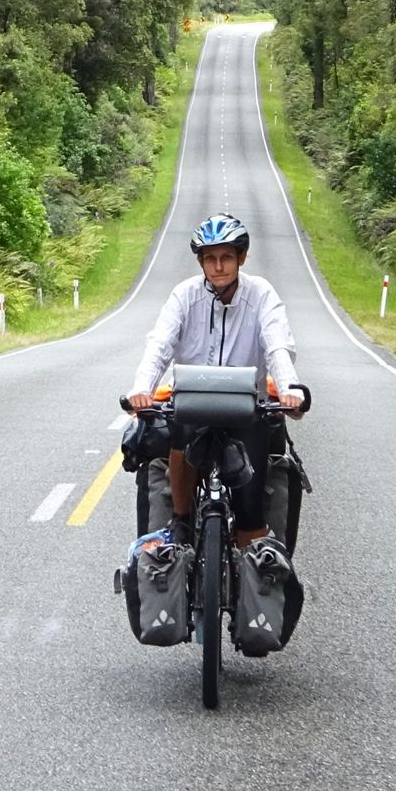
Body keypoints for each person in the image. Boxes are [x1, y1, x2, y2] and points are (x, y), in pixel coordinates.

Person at [124, 213, 307, 570]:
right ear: (201, 262)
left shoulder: (261, 295)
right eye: (210, 258)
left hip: (247, 411)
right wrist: (141, 389)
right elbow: (159, 345)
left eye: (226, 257)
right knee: (180, 426)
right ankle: (180, 520)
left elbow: (277, 346)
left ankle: (249, 568)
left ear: (242, 257)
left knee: (251, 522)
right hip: (193, 407)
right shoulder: (185, 296)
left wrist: (289, 389)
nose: (218, 266)